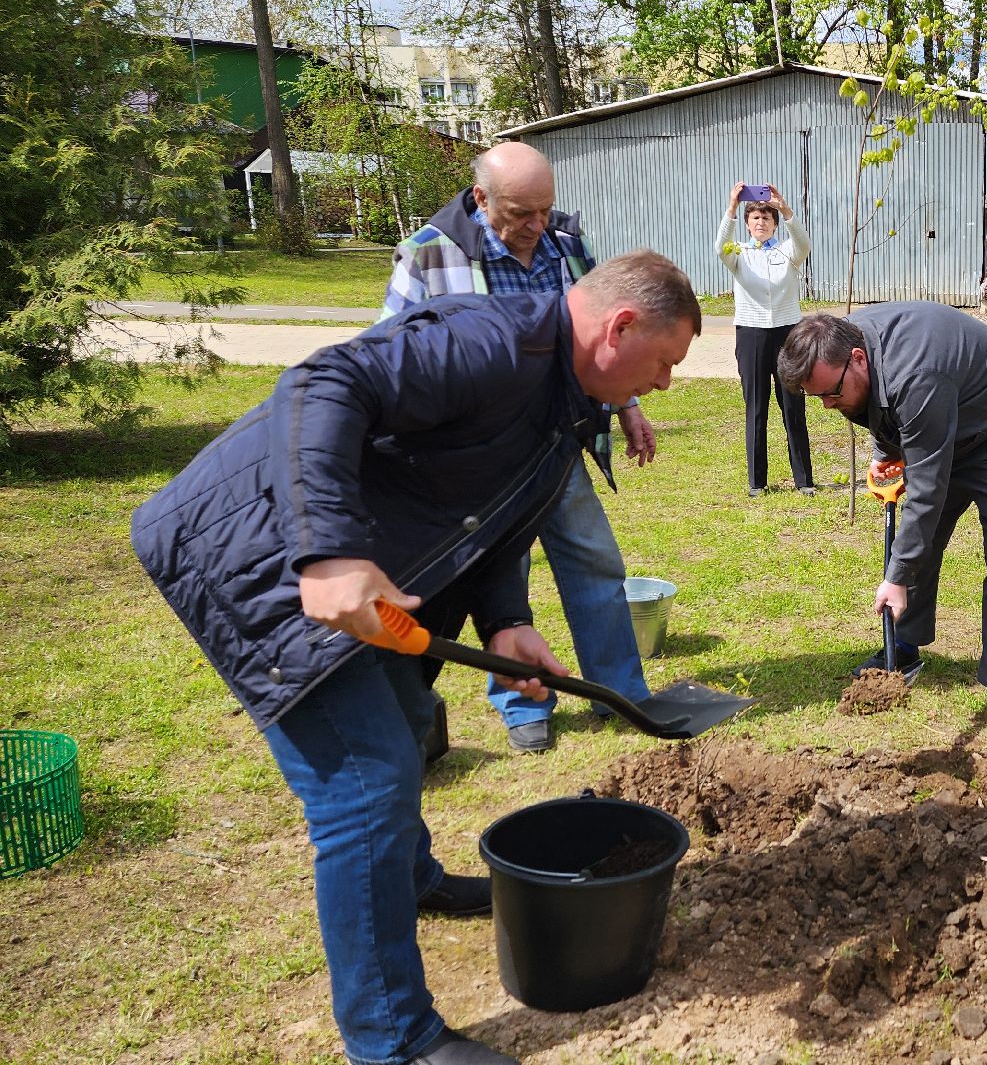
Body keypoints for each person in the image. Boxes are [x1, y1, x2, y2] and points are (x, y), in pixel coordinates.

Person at [132, 252, 702, 1065]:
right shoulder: (490, 344)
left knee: (404, 718)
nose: (667, 384)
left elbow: (500, 507)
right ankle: (393, 1040)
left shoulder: (567, 398)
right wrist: (324, 551)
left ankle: (412, 881)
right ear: (619, 327)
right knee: (366, 785)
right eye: (666, 361)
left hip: (350, 561)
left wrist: (506, 619)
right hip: (254, 549)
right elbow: (322, 386)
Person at [383, 141, 658, 754]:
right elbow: (388, 354)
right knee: (498, 573)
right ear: (481, 199)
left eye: (545, 209)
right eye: (520, 213)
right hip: (477, 457)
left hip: (556, 438)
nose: (537, 226)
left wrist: (628, 404)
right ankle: (520, 703)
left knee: (593, 558)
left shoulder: (566, 244)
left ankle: (621, 689)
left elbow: (598, 342)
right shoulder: (428, 254)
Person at [777, 303, 987, 739]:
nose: (828, 405)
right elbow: (881, 408)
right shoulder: (852, 343)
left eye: (831, 392)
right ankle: (904, 646)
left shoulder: (916, 374)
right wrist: (885, 452)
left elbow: (927, 488)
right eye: (818, 398)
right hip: (948, 420)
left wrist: (897, 575)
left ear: (857, 359)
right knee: (923, 537)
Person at [717, 181, 816, 496]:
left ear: (774, 225)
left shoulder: (788, 252)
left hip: (788, 333)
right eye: (755, 218)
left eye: (767, 219)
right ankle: (757, 482)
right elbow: (720, 246)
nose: (761, 223)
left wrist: (784, 208)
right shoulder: (739, 253)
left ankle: (804, 480)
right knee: (756, 407)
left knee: (793, 406)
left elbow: (803, 243)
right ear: (747, 224)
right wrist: (732, 207)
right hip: (752, 334)